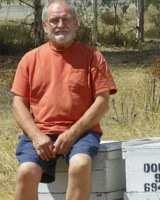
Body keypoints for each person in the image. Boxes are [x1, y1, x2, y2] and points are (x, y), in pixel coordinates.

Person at [11, 0, 117, 199]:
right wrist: (36, 136)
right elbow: (18, 103)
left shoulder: (93, 56)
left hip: (82, 132)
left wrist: (71, 134)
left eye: (66, 19)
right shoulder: (30, 59)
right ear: (44, 26)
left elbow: (102, 101)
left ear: (76, 23)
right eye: (54, 20)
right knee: (26, 172)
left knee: (81, 164)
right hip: (40, 132)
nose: (61, 25)